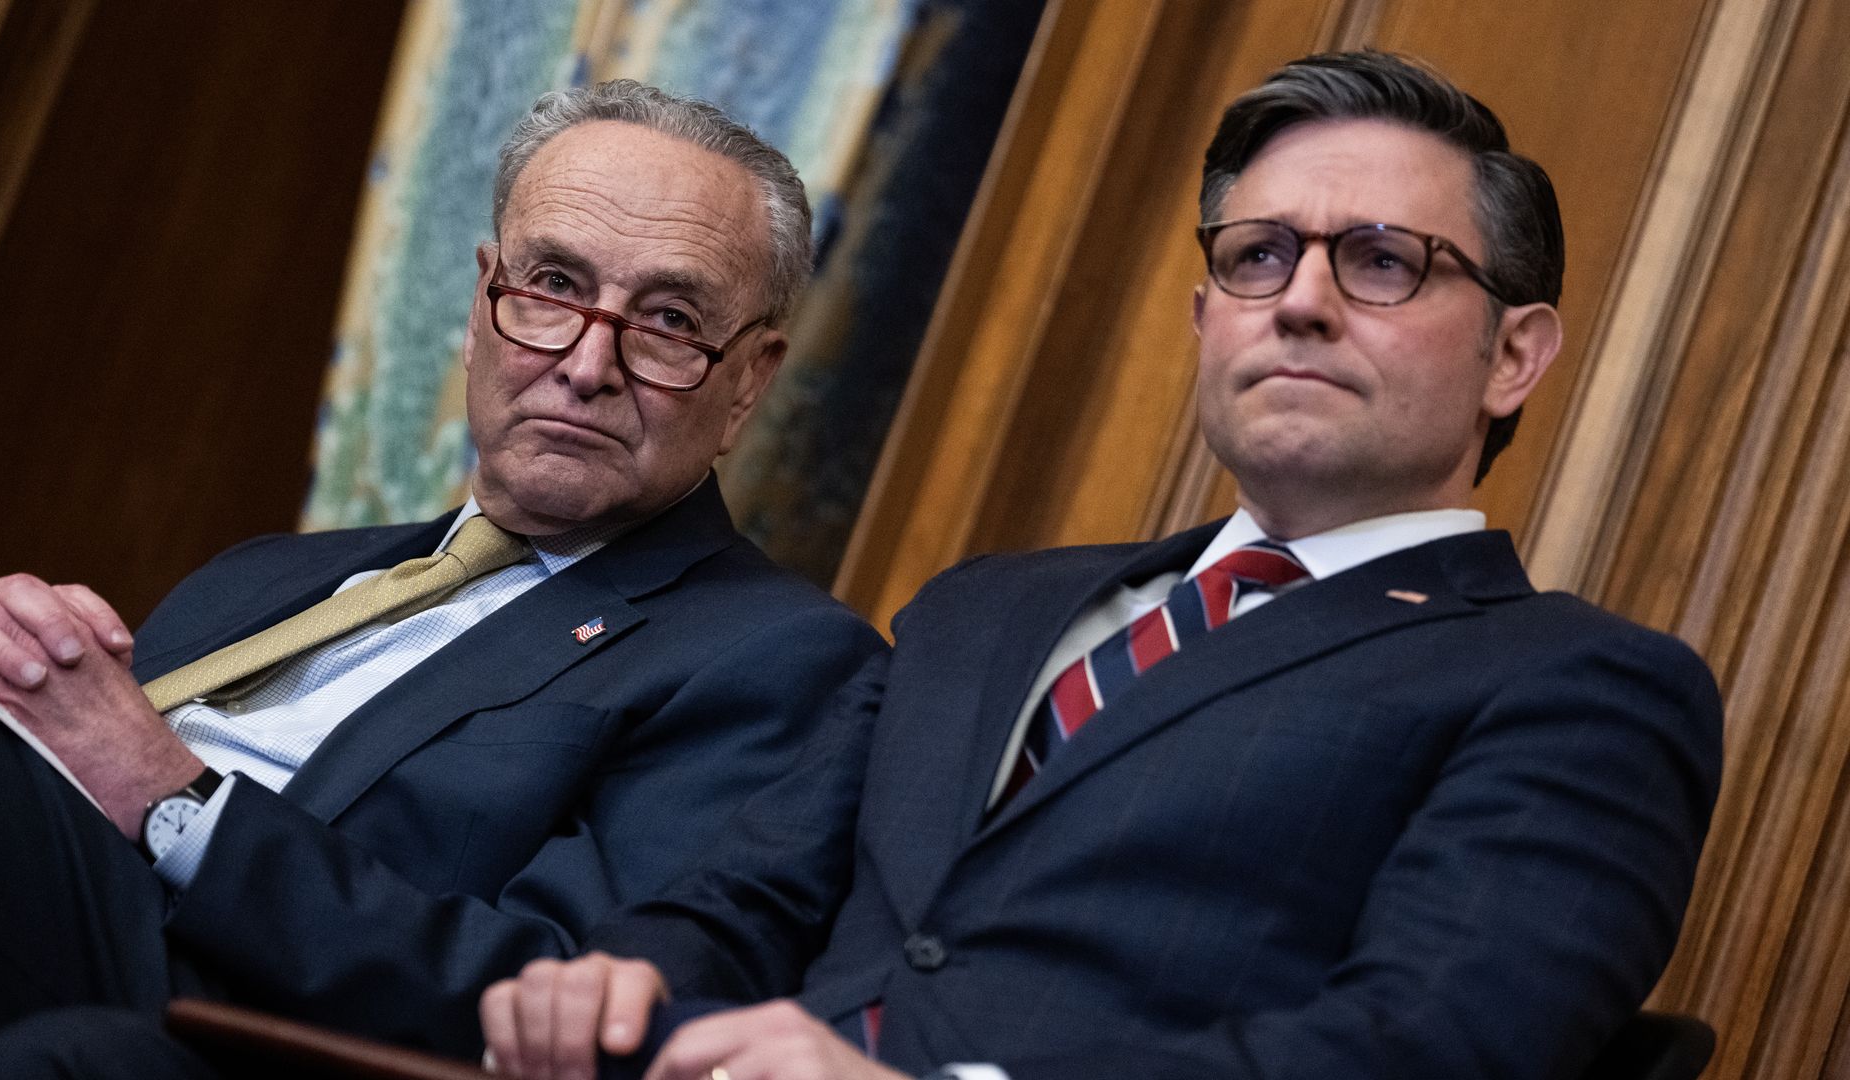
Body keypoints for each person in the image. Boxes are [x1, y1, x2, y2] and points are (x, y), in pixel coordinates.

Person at [474, 52, 1724, 1080]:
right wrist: (618, 982)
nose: (1300, 301)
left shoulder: (1580, 687)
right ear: (1207, 321)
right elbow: (744, 902)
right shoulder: (982, 610)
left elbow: (1425, 1051)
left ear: (1515, 356)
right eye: (1258, 255)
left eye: (1383, 262)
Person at [0, 79, 884, 1073]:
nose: (587, 364)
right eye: (552, 285)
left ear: (750, 382)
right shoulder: (264, 576)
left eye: (670, 320)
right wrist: (1, 690)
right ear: (481, 306)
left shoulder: (778, 658)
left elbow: (565, 1004)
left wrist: (173, 801)